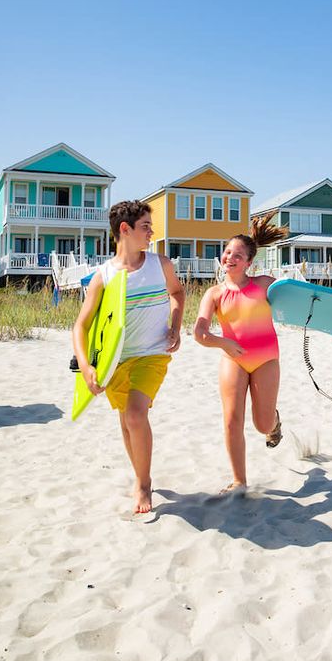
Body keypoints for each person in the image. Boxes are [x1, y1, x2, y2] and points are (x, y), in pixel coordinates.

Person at [73, 200, 184, 513]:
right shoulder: (103, 277)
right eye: (146, 226)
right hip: (117, 361)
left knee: (135, 415)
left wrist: (175, 327)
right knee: (126, 422)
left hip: (152, 355)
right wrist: (85, 365)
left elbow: (177, 293)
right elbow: (80, 326)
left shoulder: (160, 265)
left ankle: (144, 484)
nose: (152, 232)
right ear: (125, 229)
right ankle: (140, 475)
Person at [194, 233, 282, 494]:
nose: (230, 258)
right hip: (232, 359)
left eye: (238, 255)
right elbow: (199, 334)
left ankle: (274, 423)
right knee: (232, 420)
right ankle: (239, 481)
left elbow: (299, 300)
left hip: (265, 359)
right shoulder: (214, 294)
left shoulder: (265, 284)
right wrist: (223, 343)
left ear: (249, 263)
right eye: (228, 252)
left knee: (262, 425)